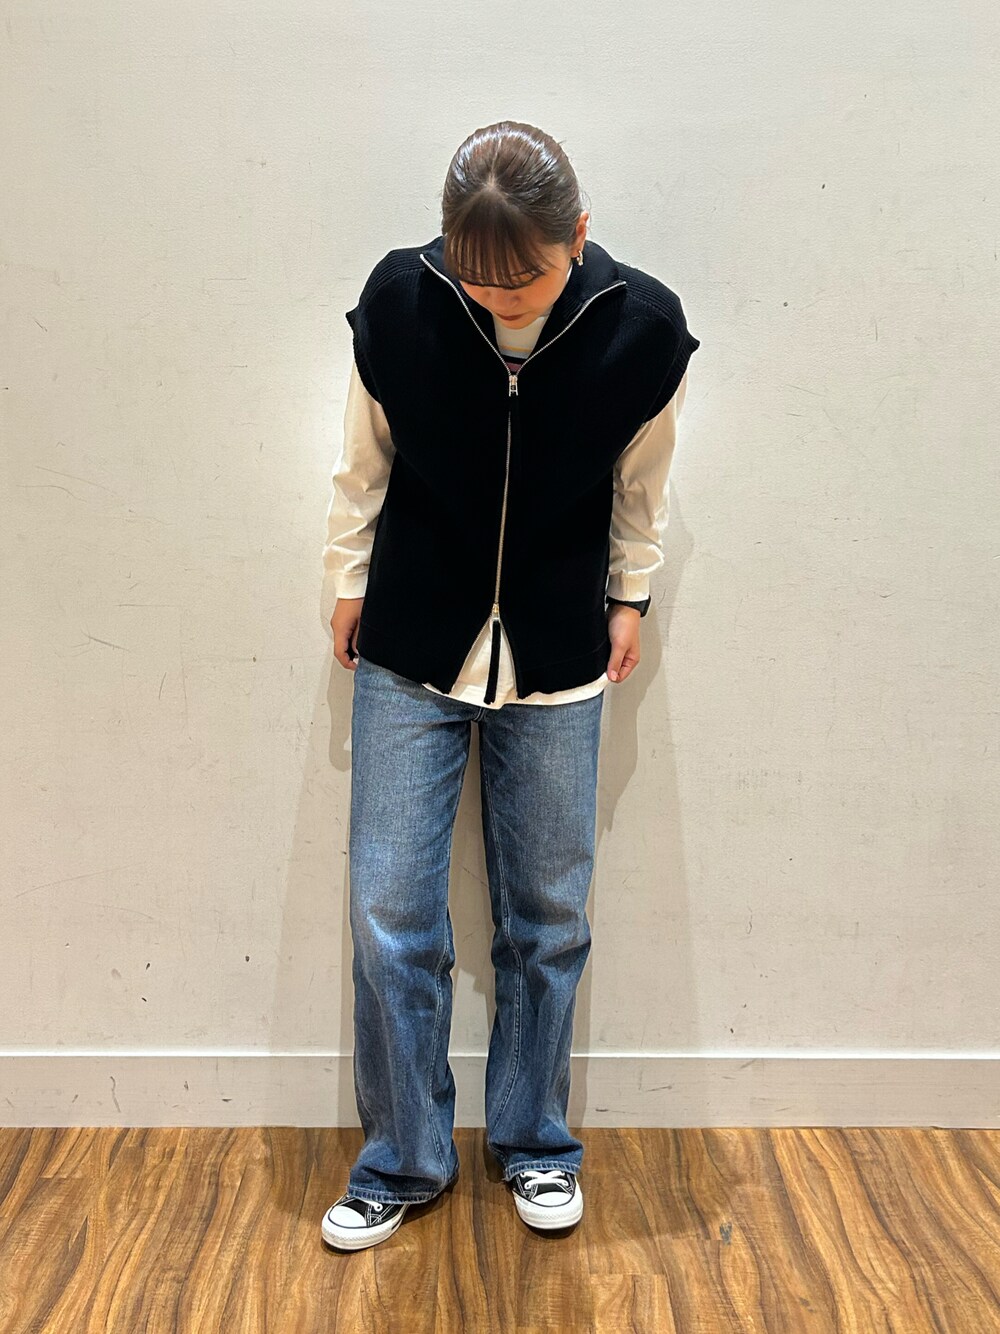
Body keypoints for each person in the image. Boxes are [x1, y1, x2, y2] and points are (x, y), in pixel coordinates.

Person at [319, 121, 699, 1251]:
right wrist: (346, 578)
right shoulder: (401, 302)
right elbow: (363, 458)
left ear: (577, 235)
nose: (499, 302)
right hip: (411, 646)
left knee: (547, 919)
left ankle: (536, 1143)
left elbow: (641, 485)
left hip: (558, 649)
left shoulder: (642, 330)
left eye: (523, 281)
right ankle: (402, 1158)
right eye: (477, 281)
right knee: (390, 914)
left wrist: (630, 595)